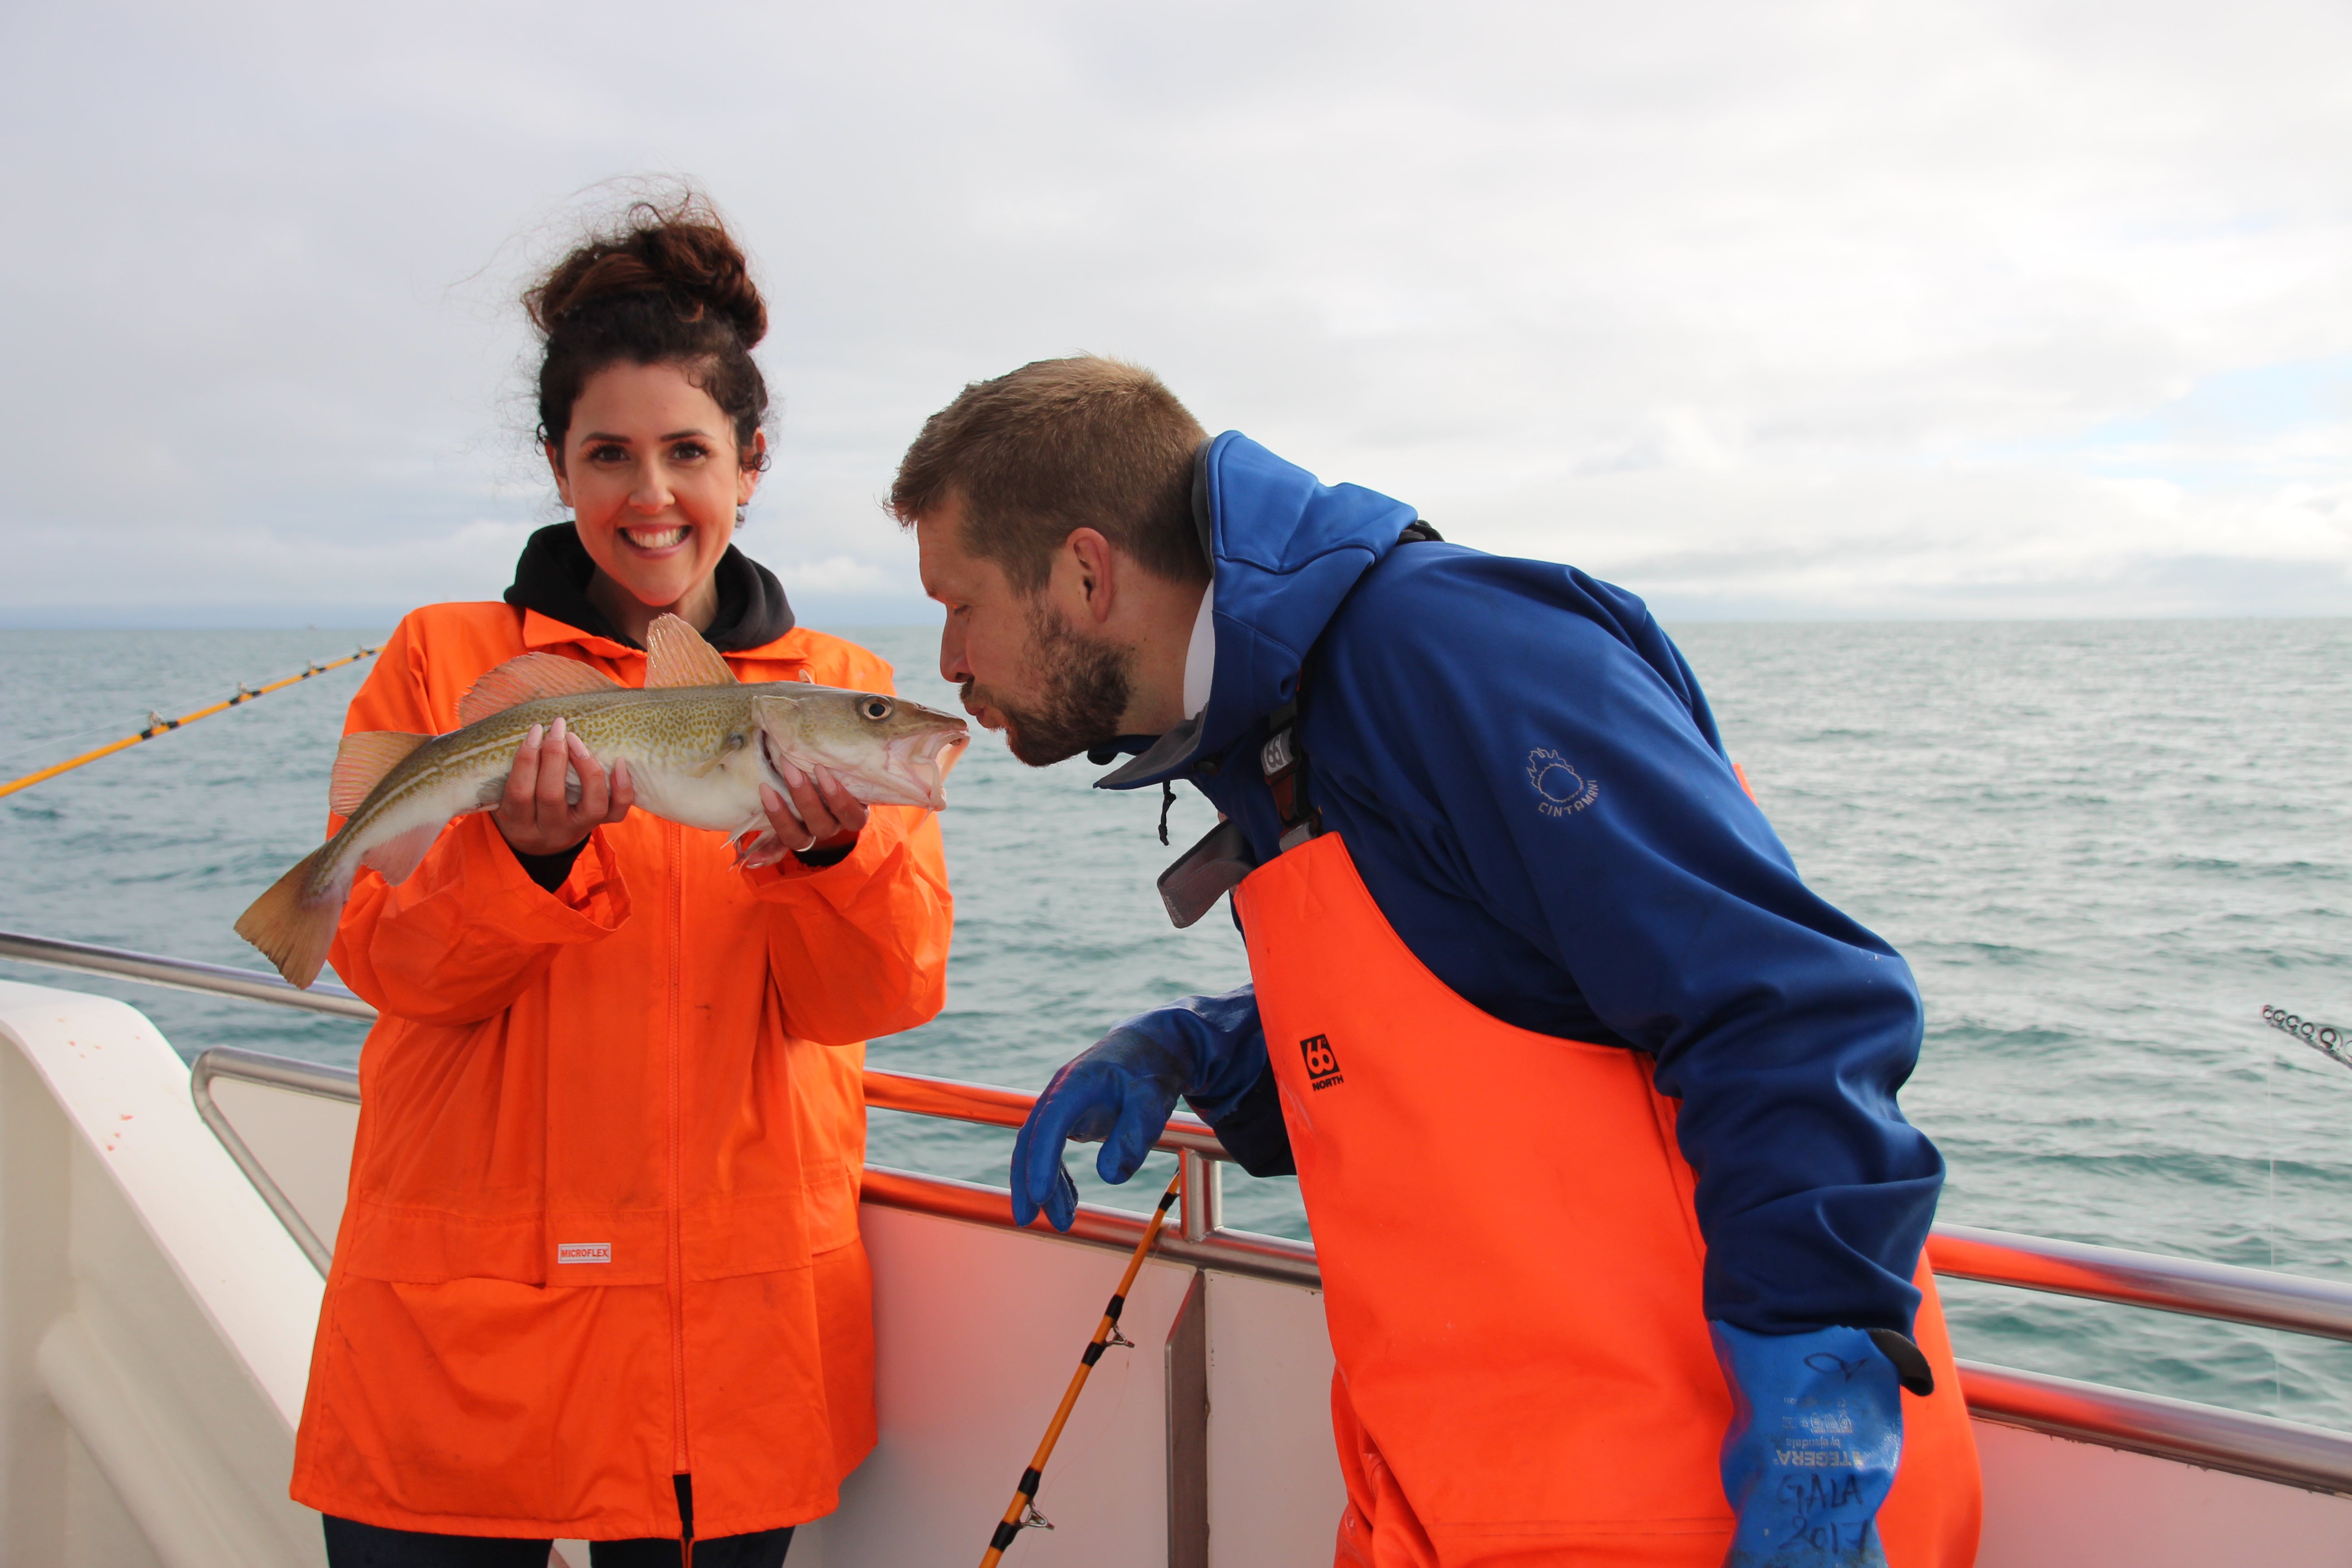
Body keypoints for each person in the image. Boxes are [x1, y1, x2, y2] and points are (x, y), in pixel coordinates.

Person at [894, 356, 1982, 1568]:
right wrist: (1211, 1051)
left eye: (961, 603)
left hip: (1697, 1512)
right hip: (1452, 1499)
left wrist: (1821, 1415)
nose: (947, 659)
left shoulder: (1452, 652)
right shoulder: (1267, 727)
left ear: (1087, 572)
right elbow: (1481, 997)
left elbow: (1784, 1003)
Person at [291, 198, 953, 1567]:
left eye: (688, 453)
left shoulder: (844, 696)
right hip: (464, 1331)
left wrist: (830, 855)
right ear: (557, 465)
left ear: (751, 464)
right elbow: (390, 968)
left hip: (727, 1337)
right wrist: (525, 860)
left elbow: (880, 996)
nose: (650, 495)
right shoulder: (446, 658)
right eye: (608, 454)